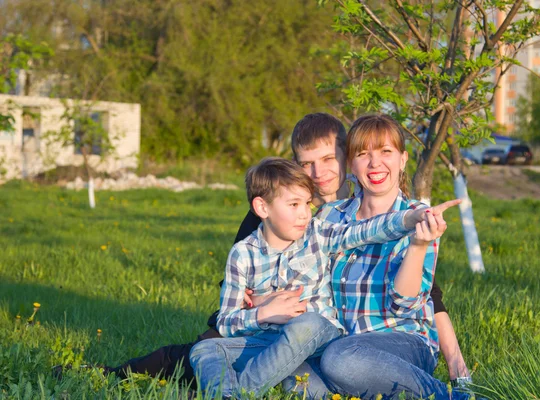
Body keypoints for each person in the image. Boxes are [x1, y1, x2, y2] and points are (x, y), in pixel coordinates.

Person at [105, 113, 469, 388]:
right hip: (278, 322)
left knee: (331, 358)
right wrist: (263, 305)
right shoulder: (294, 212)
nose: (318, 172)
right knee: (203, 353)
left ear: (345, 158)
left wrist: (454, 358)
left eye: (328, 159)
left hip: (342, 335)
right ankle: (116, 375)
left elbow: (426, 293)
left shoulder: (379, 216)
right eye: (306, 163)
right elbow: (240, 282)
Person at [188, 156, 439, 397]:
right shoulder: (242, 255)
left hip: (322, 337)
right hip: (274, 346)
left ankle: (241, 392)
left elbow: (365, 231)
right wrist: (262, 314)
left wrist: (408, 218)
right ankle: (228, 393)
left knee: (305, 325)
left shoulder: (318, 234)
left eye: (307, 204)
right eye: (293, 205)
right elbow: (226, 322)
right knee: (205, 350)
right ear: (262, 207)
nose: (304, 214)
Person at [293, 114, 471, 399]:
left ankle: (447, 396)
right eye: (363, 154)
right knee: (296, 373)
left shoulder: (418, 217)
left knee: (340, 360)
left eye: (385, 152)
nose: (375, 163)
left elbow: (404, 305)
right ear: (351, 164)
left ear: (402, 159)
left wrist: (417, 246)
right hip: (343, 342)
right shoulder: (330, 216)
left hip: (402, 342)